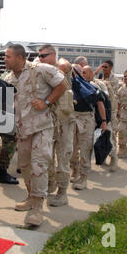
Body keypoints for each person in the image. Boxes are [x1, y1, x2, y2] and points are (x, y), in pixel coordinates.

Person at [4, 44, 66, 226]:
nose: (5, 59)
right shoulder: (9, 78)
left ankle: (38, 208)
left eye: (8, 56)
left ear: (19, 58)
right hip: (23, 130)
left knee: (39, 165)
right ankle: (31, 197)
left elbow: (62, 85)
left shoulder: (40, 70)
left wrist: (47, 101)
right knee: (24, 165)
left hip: (41, 127)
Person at [70, 66, 108, 190]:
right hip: (72, 119)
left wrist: (103, 121)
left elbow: (100, 103)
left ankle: (83, 178)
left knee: (85, 149)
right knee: (71, 149)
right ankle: (75, 171)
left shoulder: (91, 87)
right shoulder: (68, 86)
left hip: (86, 119)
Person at [47, 58, 75, 207]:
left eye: (45, 56)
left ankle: (62, 193)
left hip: (65, 123)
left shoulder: (63, 75)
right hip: (50, 123)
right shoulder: (43, 76)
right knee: (47, 157)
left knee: (63, 158)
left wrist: (57, 67)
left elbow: (65, 65)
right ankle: (50, 184)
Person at [94, 60, 119, 172]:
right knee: (99, 136)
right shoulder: (99, 76)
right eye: (102, 66)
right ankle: (102, 156)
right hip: (99, 111)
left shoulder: (114, 79)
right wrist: (96, 74)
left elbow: (111, 92)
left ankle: (113, 158)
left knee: (110, 136)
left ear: (111, 67)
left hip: (110, 111)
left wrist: (101, 82)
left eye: (106, 67)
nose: (103, 68)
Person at [0, 71, 19, 185]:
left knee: (11, 137)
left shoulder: (2, 78)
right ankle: (3, 171)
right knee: (11, 138)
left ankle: (3, 171)